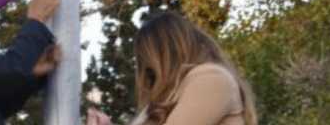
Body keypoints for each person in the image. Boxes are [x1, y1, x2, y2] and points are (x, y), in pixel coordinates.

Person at [86, 11, 258, 125]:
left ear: (163, 54)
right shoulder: (173, 94)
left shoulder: (212, 79)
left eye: (147, 61)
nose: (147, 72)